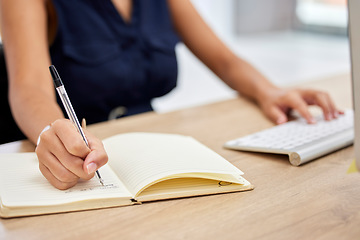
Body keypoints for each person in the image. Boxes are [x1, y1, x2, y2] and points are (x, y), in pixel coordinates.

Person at [0, 0, 342, 190]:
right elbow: (28, 87)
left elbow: (223, 59)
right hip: (75, 151)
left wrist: (270, 91)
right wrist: (50, 130)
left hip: (146, 151)